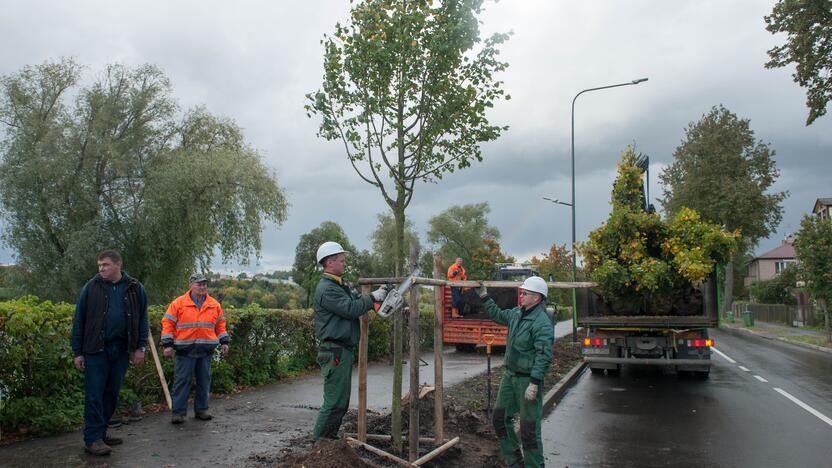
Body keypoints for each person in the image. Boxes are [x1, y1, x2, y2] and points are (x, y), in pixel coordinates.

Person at [70, 250, 148, 456]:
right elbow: (79, 320)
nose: (101, 269)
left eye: (105, 265)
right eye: (99, 266)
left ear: (117, 265)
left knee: (111, 393)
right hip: (95, 349)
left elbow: (142, 319)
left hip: (121, 349)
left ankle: (102, 432)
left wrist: (140, 347)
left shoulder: (134, 288)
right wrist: (77, 352)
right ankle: (92, 439)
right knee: (94, 394)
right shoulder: (91, 287)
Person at [312, 241, 388, 439]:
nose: (344, 263)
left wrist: (379, 298)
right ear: (329, 262)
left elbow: (355, 301)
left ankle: (328, 439)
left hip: (340, 350)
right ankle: (320, 442)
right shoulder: (327, 288)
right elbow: (350, 308)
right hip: (334, 350)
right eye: (341, 260)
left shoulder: (338, 285)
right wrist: (372, 298)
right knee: (334, 402)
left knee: (341, 402)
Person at [477, 276, 553, 468]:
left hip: (528, 381)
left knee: (528, 430)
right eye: (522, 292)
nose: (521, 295)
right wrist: (485, 297)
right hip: (510, 377)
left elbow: (543, 355)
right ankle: (514, 462)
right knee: (500, 419)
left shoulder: (541, 322)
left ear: (537, 297)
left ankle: (534, 465)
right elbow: (497, 315)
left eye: (525, 293)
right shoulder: (517, 313)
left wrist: (535, 383)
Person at [161, 273, 229, 424]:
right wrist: (167, 345)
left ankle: (201, 410)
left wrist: (224, 341)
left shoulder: (214, 304)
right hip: (185, 350)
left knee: (204, 381)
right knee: (182, 381)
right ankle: (178, 413)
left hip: (205, 351)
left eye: (204, 284)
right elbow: (167, 324)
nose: (202, 287)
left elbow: (220, 325)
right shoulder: (178, 303)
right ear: (190, 285)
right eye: (199, 284)